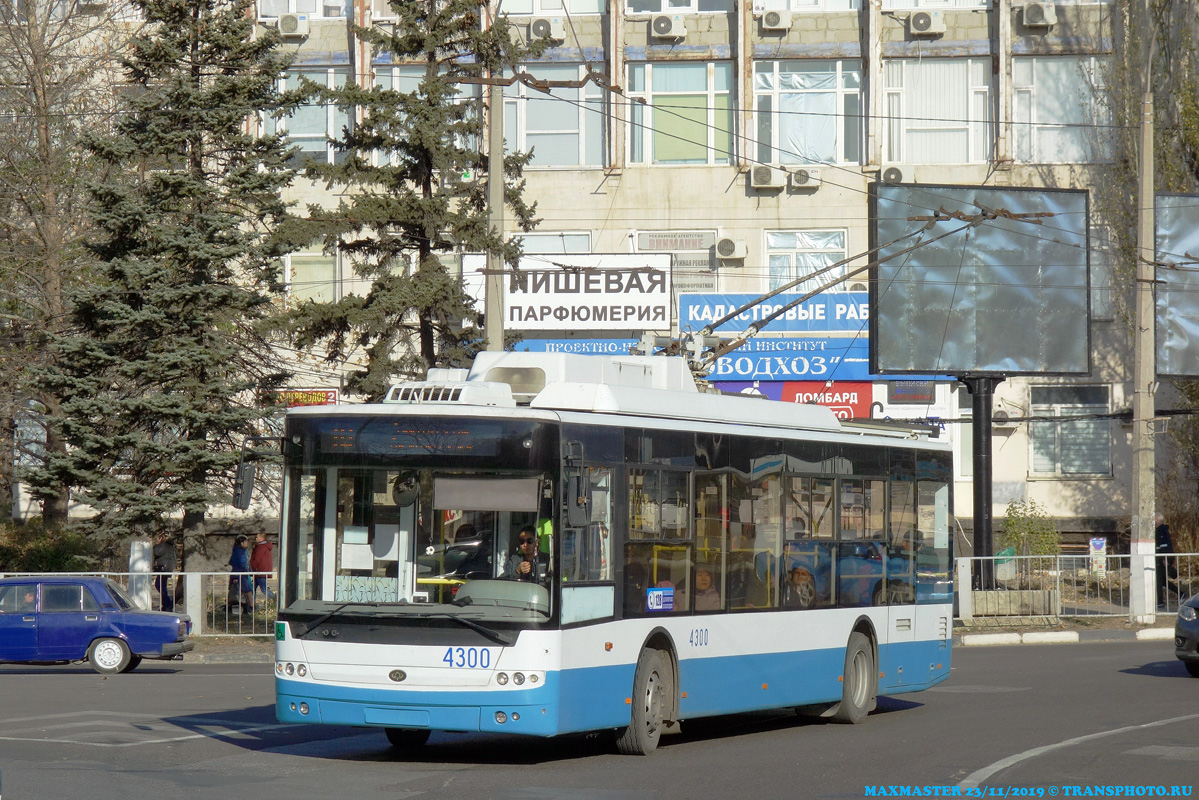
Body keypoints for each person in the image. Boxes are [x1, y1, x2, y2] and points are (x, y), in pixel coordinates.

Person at [1155, 512, 1177, 607]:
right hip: (1161, 558)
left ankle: (1160, 602)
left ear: (1157, 520)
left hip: (1162, 558)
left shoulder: (1161, 530)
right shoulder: (1161, 529)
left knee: (1159, 580)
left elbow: (1164, 546)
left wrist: (1165, 558)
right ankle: (1181, 593)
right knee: (1161, 580)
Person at [228, 534, 254, 612]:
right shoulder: (240, 552)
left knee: (238, 590)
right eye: (246, 542)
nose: (247, 543)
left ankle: (233, 607)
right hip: (241, 574)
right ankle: (250, 607)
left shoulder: (240, 551)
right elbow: (242, 563)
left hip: (240, 573)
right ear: (242, 543)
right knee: (247, 591)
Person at [152, 532, 177, 612]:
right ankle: (167, 605)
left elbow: (157, 552)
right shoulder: (170, 545)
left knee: (159, 585)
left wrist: (156, 544)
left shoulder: (164, 545)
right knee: (161, 586)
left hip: (163, 569)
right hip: (167, 568)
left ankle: (168, 605)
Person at [250, 531, 276, 602]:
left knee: (263, 589)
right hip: (260, 571)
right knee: (252, 588)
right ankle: (251, 603)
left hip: (260, 572)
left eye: (257, 537)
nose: (256, 538)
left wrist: (251, 568)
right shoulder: (264, 547)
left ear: (261, 538)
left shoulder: (260, 547)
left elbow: (257, 560)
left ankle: (275, 599)